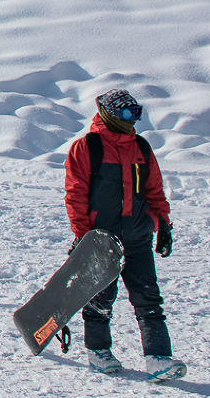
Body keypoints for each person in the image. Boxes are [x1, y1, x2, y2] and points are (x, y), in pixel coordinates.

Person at [65, 88, 183, 380]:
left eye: (137, 113)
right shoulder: (87, 147)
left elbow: (154, 189)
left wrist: (162, 225)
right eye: (128, 114)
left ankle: (158, 358)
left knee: (148, 298)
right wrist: (83, 235)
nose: (134, 120)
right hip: (101, 239)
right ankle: (99, 351)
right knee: (101, 298)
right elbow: (75, 194)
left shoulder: (141, 148)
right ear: (110, 113)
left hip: (138, 236)